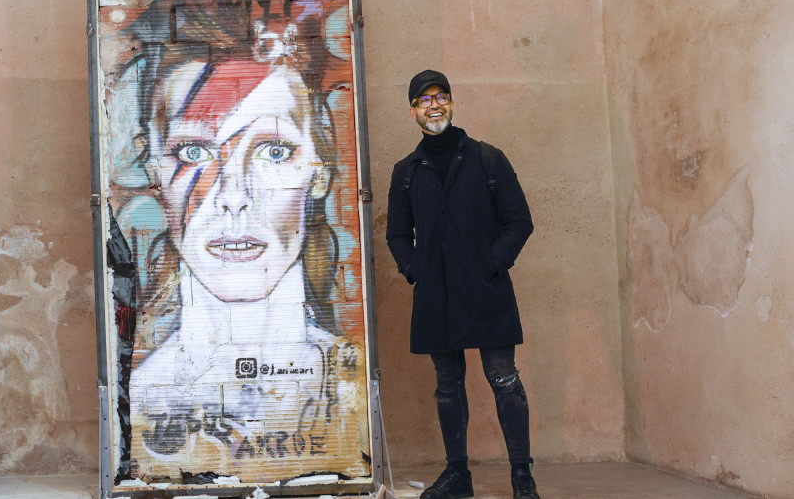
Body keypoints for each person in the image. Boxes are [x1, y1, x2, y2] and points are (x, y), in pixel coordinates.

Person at [125, 31, 367, 483]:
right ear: (155, 172)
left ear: (317, 171)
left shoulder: (351, 379)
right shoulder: (139, 397)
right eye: (193, 152)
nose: (232, 197)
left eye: (274, 151)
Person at [385, 70, 540, 499]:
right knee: (447, 385)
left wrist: (492, 263)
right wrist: (415, 269)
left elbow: (519, 222)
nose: (433, 106)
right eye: (423, 100)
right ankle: (458, 476)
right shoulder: (406, 172)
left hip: (487, 292)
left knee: (504, 379)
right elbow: (397, 234)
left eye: (441, 97)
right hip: (436, 295)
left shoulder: (488, 159)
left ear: (451, 103)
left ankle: (522, 479)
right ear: (413, 111)